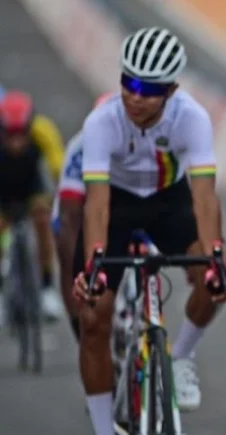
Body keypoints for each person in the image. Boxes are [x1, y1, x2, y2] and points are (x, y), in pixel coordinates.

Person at [70, 27, 226, 435]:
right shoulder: (103, 121)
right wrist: (95, 267)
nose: (134, 95)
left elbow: (204, 198)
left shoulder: (191, 119)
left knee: (216, 274)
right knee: (94, 314)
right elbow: (96, 205)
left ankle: (180, 356)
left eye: (147, 89)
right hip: (117, 205)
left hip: (169, 201)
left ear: (171, 91)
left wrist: (213, 256)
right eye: (128, 82)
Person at [51, 92, 116, 339]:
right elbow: (70, 216)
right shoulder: (80, 147)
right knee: (68, 252)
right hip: (80, 211)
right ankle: (77, 323)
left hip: (119, 208)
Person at [0, 90, 67, 322]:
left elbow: (59, 167)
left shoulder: (43, 130)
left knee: (43, 220)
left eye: (21, 134)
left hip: (31, 187)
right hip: (3, 191)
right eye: (10, 134)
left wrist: (63, 200)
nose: (16, 142)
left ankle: (47, 286)